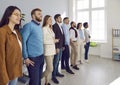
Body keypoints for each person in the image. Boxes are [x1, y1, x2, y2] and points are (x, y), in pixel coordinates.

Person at [21, 8, 44, 85]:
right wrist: (26, 58)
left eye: (41, 14)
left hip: (41, 57)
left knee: (39, 80)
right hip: (33, 59)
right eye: (38, 14)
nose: (41, 15)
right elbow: (23, 41)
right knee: (34, 82)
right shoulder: (28, 26)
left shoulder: (39, 27)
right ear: (33, 16)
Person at [0, 6, 22, 85]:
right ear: (8, 15)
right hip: (5, 74)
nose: (19, 17)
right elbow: (1, 57)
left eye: (20, 15)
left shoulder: (17, 32)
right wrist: (3, 77)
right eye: (16, 14)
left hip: (15, 71)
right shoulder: (2, 32)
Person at [42, 15, 58, 85]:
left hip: (52, 50)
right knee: (50, 69)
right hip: (47, 51)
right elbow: (43, 41)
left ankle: (46, 82)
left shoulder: (50, 28)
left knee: (47, 67)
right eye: (49, 19)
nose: (51, 20)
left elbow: (51, 38)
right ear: (46, 20)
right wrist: (53, 41)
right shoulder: (44, 29)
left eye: (51, 19)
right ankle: (36, 78)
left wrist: (54, 40)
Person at [52, 14, 64, 84]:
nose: (61, 18)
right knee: (55, 62)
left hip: (60, 46)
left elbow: (61, 37)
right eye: (59, 18)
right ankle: (53, 76)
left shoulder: (60, 26)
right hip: (57, 47)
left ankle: (56, 72)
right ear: (56, 19)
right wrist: (56, 47)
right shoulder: (54, 26)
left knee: (58, 61)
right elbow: (55, 38)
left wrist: (62, 46)